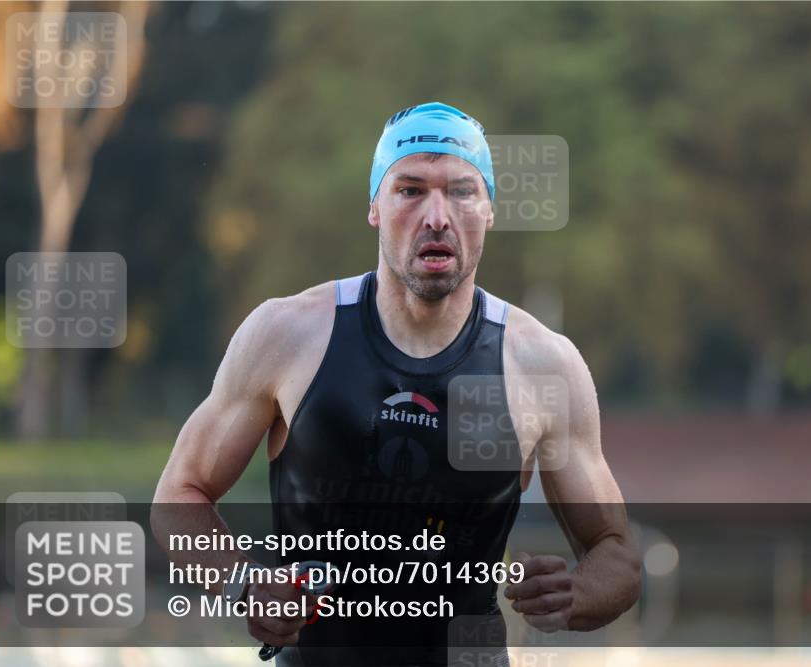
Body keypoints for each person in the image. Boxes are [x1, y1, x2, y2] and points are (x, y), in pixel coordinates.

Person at [152, 102, 641, 666]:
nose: (437, 215)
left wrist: (577, 595)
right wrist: (244, 583)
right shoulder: (286, 334)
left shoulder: (542, 364)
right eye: (410, 190)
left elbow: (617, 553)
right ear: (375, 209)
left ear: (488, 210)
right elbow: (178, 495)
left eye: (460, 191)